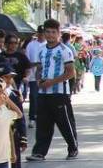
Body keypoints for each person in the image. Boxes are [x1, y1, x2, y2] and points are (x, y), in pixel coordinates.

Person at [28, 20, 78, 160]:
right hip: (43, 93)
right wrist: (38, 80)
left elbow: (70, 73)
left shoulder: (65, 50)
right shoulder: (41, 49)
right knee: (43, 123)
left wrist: (51, 82)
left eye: (53, 32)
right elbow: (39, 68)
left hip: (59, 92)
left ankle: (73, 147)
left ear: (58, 33)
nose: (50, 35)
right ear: (44, 33)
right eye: (48, 32)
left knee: (65, 122)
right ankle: (39, 152)